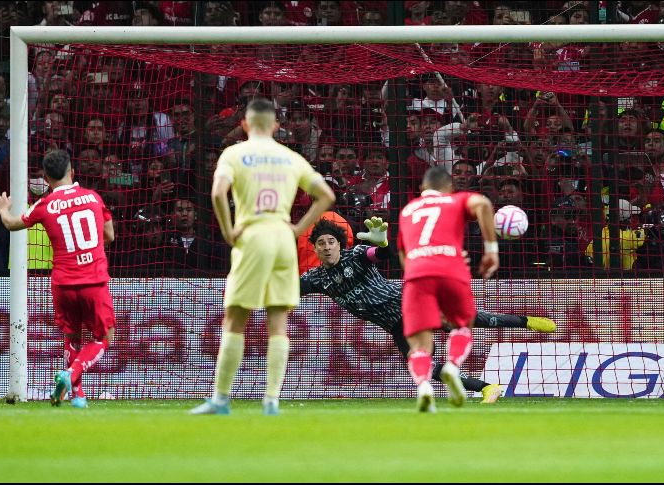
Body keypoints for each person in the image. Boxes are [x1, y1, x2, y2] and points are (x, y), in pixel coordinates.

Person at [301, 217, 555, 405]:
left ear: (339, 244)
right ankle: (488, 388)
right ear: (314, 248)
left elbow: (380, 254)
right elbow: (289, 288)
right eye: (321, 243)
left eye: (331, 242)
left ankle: (526, 321)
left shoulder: (354, 256)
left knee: (471, 319)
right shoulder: (317, 278)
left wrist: (383, 243)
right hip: (397, 325)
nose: (326, 246)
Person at [191, 98, 335, 416]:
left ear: (244, 124)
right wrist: (298, 228)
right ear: (275, 127)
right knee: (278, 322)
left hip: (253, 235)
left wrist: (229, 231)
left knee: (236, 318)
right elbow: (327, 195)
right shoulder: (290, 157)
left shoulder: (235, 154)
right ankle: (271, 400)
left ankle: (221, 398)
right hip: (283, 238)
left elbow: (217, 193)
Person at [0, 149, 116, 409]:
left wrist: (3, 210)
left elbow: (12, 224)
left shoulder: (44, 205)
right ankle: (71, 376)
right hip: (93, 279)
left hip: (63, 283)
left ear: (46, 179)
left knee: (71, 337)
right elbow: (109, 235)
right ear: (73, 171)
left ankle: (77, 397)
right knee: (104, 337)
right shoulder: (93, 198)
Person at [397, 166, 499, 412]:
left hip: (416, 274)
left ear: (422, 189)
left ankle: (423, 387)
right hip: (451, 269)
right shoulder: (455, 200)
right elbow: (483, 205)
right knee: (463, 325)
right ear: (450, 187)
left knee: (419, 345)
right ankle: (452, 365)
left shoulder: (407, 210)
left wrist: (416, 270)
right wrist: (491, 251)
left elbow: (402, 252)